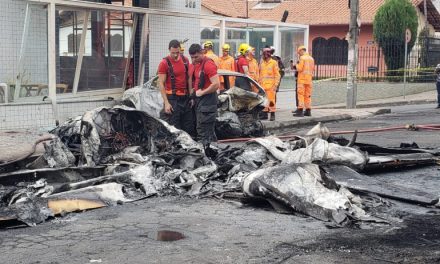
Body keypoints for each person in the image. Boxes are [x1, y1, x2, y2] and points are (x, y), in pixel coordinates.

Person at [157, 39, 195, 137]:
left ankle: (190, 150)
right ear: (169, 50)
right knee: (175, 128)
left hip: (185, 98)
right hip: (173, 99)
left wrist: (191, 96)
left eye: (177, 52)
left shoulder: (185, 60)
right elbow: (161, 83)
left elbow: (189, 79)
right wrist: (166, 103)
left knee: (189, 126)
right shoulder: (164, 63)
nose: (175, 55)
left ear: (180, 50)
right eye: (173, 53)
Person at [188, 43, 220, 146]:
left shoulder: (208, 64)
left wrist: (202, 92)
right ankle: (211, 154)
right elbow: (197, 82)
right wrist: (193, 95)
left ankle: (206, 158)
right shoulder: (197, 65)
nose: (194, 60)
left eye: (196, 57)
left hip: (208, 101)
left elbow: (216, 84)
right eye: (192, 57)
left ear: (202, 53)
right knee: (202, 131)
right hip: (200, 101)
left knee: (204, 132)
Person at [258, 47, 281, 121]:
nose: (263, 56)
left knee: (271, 101)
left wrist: (275, 85)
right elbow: (260, 74)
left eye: (264, 54)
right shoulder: (262, 63)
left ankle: (272, 114)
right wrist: (259, 85)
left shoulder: (274, 63)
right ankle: (264, 114)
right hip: (263, 86)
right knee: (264, 101)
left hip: (271, 86)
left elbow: (277, 75)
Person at [293, 45, 315, 117]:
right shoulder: (311, 58)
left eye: (299, 52)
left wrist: (295, 65)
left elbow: (299, 69)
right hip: (309, 80)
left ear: (301, 50)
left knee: (301, 95)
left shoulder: (302, 58)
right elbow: (312, 69)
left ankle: (300, 111)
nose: (299, 54)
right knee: (307, 95)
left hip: (302, 80)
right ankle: (308, 111)